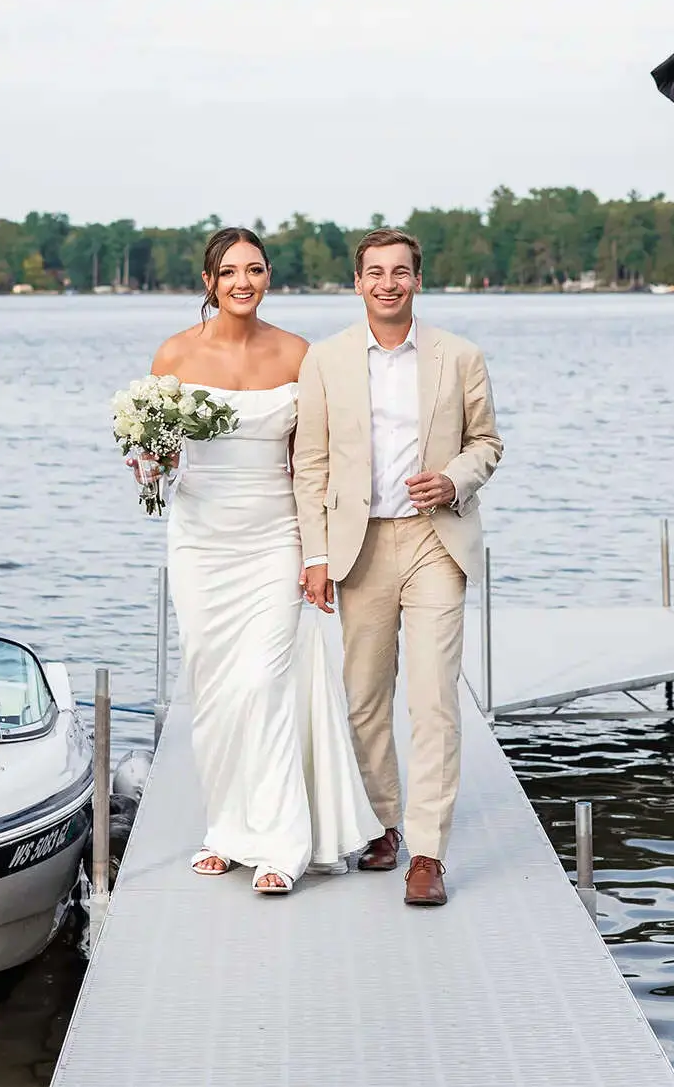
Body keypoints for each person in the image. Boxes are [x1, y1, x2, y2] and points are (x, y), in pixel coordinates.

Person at [138, 227, 381, 896]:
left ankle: (282, 842)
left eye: (254, 268)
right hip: (200, 538)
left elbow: (314, 463)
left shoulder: (298, 354)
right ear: (209, 281)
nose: (242, 280)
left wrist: (319, 553)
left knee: (262, 681)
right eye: (228, 271)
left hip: (275, 535)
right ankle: (227, 829)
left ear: (269, 275)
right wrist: (147, 463)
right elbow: (156, 459)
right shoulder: (175, 354)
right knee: (212, 687)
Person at [294, 229, 503, 906]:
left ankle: (429, 852)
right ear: (357, 282)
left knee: (434, 696)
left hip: (435, 542)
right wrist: (318, 555)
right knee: (364, 695)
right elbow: (311, 463)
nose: (388, 282)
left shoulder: (459, 355)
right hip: (359, 547)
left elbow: (488, 443)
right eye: (375, 272)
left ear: (418, 279)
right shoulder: (324, 360)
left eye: (401, 272)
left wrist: (454, 478)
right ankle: (383, 821)